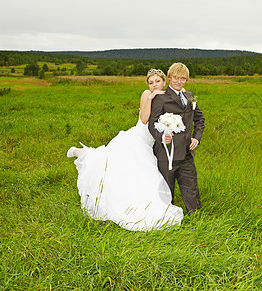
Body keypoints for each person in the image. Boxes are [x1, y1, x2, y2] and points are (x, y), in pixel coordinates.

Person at [67, 69, 183, 231]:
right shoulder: (146, 95)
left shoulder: (169, 96)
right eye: (151, 82)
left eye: (157, 81)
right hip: (137, 138)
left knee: (128, 168)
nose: (154, 85)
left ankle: (85, 153)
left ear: (164, 81)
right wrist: (150, 98)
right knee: (116, 164)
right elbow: (144, 119)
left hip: (151, 142)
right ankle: (83, 154)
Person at [148, 63, 205, 214]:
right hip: (166, 153)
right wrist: (161, 137)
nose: (179, 82)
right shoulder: (161, 98)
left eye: (183, 79)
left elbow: (199, 119)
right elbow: (152, 124)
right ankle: (165, 219)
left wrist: (196, 138)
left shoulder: (190, 96)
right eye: (175, 78)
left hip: (186, 153)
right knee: (166, 190)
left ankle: (196, 218)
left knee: (191, 187)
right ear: (169, 78)